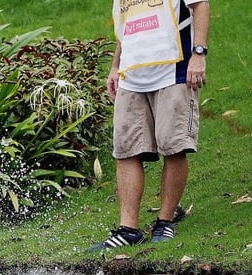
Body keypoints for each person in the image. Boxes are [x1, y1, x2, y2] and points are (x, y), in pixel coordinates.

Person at [89, 0, 210, 251]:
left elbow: (201, 5)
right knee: (126, 150)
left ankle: (165, 221)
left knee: (173, 146)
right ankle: (128, 230)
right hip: (131, 75)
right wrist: (115, 66)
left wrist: (198, 55)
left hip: (174, 71)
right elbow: (126, 25)